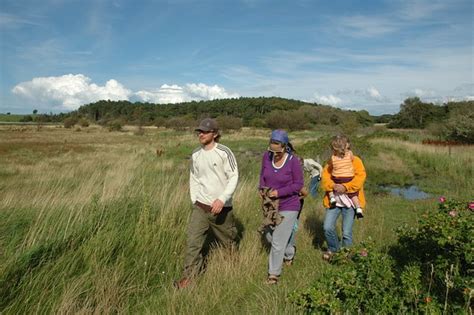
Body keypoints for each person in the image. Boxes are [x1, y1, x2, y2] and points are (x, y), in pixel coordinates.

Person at [175, 118, 239, 289]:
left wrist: (222, 198)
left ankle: (233, 268)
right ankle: (189, 278)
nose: (201, 134)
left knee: (227, 242)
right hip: (200, 206)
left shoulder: (224, 152)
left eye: (205, 131)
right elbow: (194, 178)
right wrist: (195, 200)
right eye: (199, 131)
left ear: (215, 134)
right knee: (192, 242)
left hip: (221, 208)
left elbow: (233, 177)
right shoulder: (196, 154)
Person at [259, 129, 304, 284]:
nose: (273, 149)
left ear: (284, 146)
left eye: (276, 145)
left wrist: (279, 192)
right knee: (269, 236)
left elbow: (298, 185)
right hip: (271, 205)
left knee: (278, 240)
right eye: (271, 144)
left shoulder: (293, 161)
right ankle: (290, 252)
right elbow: (262, 175)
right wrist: (261, 188)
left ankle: (273, 275)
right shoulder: (267, 156)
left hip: (289, 204)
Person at [321, 135, 366, 261]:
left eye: (343, 145)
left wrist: (345, 187)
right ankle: (333, 250)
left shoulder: (355, 160)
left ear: (348, 145)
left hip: (350, 202)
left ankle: (346, 255)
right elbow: (325, 177)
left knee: (346, 232)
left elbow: (360, 178)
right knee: (327, 227)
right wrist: (333, 185)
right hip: (334, 201)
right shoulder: (332, 160)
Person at [327, 137, 364, 218]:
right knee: (353, 195)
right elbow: (325, 175)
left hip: (336, 178)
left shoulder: (333, 157)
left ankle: (332, 197)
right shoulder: (350, 154)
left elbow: (360, 177)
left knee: (330, 187)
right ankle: (358, 208)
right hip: (348, 178)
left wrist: (341, 186)